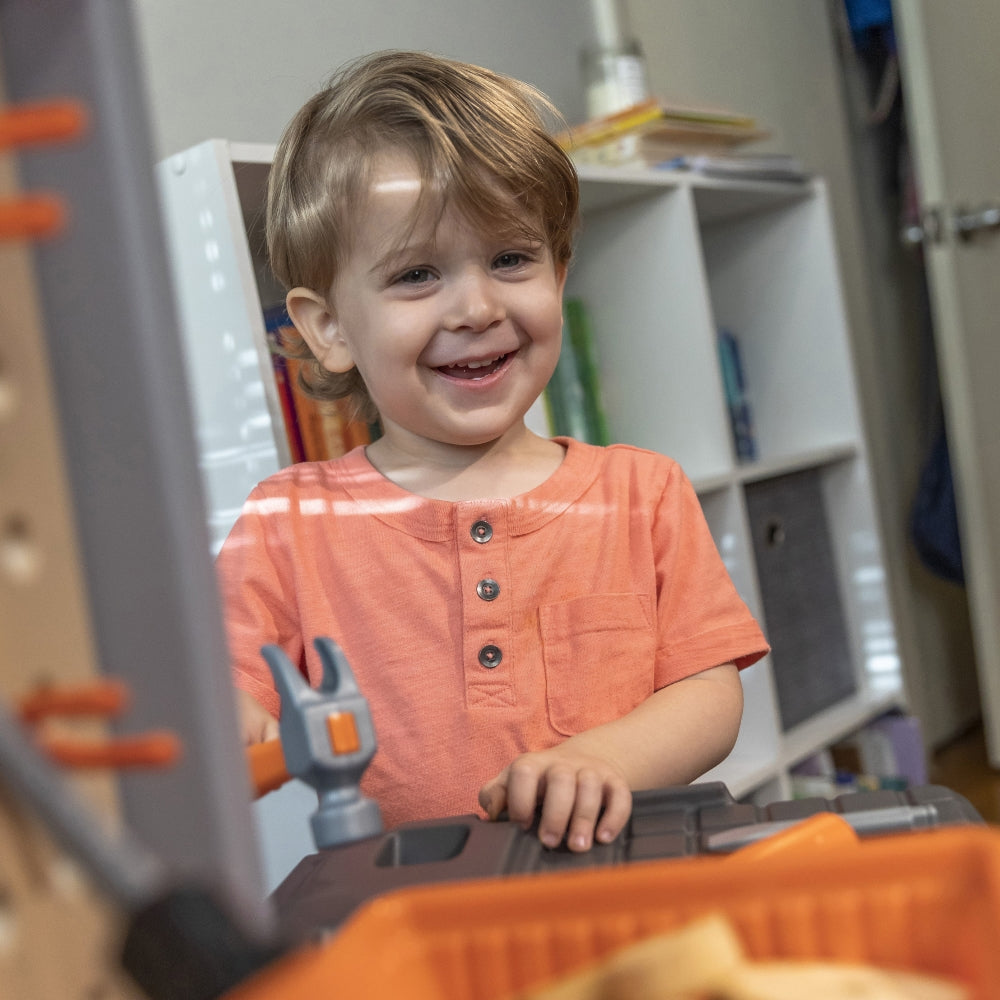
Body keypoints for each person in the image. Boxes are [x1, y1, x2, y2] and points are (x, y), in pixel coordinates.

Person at [218, 49, 769, 853]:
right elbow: (223, 680)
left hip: (630, 887)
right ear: (329, 327)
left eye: (511, 259)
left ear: (558, 271)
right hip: (421, 919)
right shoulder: (287, 521)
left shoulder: (641, 492)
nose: (476, 306)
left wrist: (605, 757)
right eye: (416, 274)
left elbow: (709, 688)